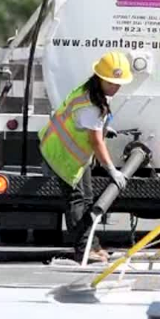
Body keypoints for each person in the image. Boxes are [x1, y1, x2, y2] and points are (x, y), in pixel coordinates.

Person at [39, 52, 132, 264]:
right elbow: (95, 141)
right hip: (62, 154)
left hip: (69, 152)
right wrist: (112, 170)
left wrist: (103, 127)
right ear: (100, 78)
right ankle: (83, 250)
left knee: (88, 199)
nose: (116, 87)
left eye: (119, 83)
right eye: (111, 82)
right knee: (77, 201)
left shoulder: (91, 91)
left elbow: (88, 126)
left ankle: (94, 245)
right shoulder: (92, 105)